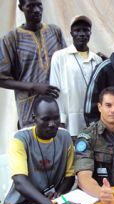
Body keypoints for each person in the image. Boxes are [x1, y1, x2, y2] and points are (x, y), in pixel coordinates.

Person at [0, 96, 78, 204]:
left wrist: (58, 196)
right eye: (46, 119)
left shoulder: (65, 137)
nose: (52, 124)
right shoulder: (20, 139)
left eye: (56, 118)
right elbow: (20, 182)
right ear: (33, 118)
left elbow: (69, 176)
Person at [0, 0, 66, 128]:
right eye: (30, 6)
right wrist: (34, 86)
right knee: (32, 144)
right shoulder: (11, 38)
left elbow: (68, 62)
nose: (36, 10)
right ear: (21, 7)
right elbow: (1, 79)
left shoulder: (54, 32)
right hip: (29, 109)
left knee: (58, 144)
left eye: (39, 5)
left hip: (56, 105)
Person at [50, 15, 102, 138]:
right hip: (69, 123)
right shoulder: (59, 57)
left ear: (90, 33)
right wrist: (60, 119)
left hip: (93, 122)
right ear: (71, 33)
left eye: (85, 30)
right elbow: (55, 90)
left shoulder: (97, 59)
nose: (82, 34)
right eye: (77, 30)